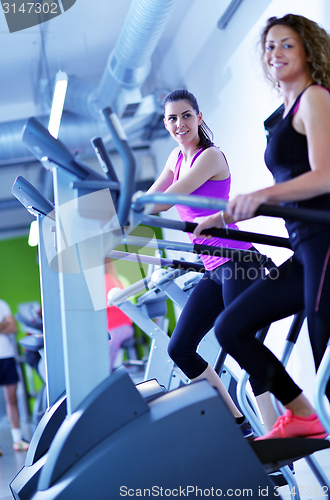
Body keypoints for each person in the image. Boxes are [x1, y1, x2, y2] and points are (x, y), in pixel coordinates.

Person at [194, 14, 330, 440]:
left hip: (326, 242)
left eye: (287, 44)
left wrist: (263, 198)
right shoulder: (286, 114)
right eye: (270, 46)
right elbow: (286, 187)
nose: (276, 53)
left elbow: (325, 176)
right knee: (230, 328)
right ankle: (303, 413)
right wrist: (227, 215)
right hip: (304, 247)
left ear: (308, 50)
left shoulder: (315, 98)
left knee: (323, 350)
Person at [147, 89, 270, 438]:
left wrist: (134, 202)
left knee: (241, 344)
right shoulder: (175, 157)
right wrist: (119, 209)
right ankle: (238, 423)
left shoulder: (210, 157)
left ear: (199, 117)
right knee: (180, 348)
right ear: (166, 123)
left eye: (186, 116)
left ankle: (279, 438)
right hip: (214, 269)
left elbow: (168, 197)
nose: (179, 123)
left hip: (239, 260)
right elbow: (152, 204)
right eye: (172, 118)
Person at [0, 280, 29, 455]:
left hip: (7, 356)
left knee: (12, 398)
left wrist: (1, 326)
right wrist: (3, 324)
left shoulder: (1, 304)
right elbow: (6, 325)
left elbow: (13, 326)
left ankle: (17, 440)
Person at [104, 258, 134, 369]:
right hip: (127, 327)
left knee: (103, 364)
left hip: (116, 329)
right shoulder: (119, 279)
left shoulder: (104, 280)